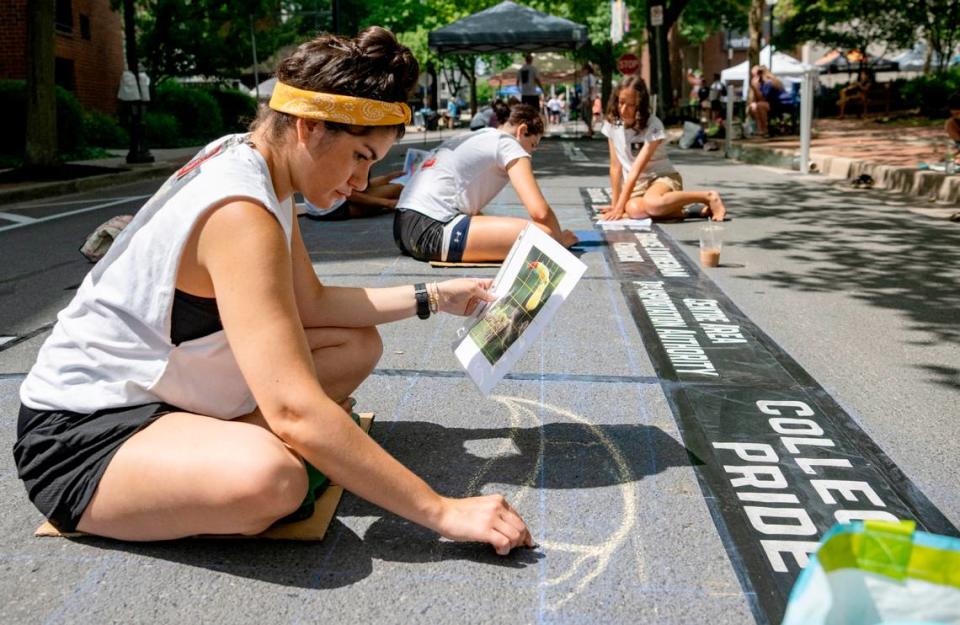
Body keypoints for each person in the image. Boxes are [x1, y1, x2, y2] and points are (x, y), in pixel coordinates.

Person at [13, 27, 534, 555]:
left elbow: (312, 304)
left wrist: (434, 296)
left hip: (164, 391)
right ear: (308, 128)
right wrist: (441, 510)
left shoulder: (256, 162)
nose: (361, 181)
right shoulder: (241, 212)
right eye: (359, 155)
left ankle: (215, 449)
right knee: (273, 479)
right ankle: (220, 457)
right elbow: (293, 409)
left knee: (356, 343)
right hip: (83, 435)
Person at [393, 104, 578, 262]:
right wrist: (558, 240)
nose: (531, 153)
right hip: (433, 230)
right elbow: (540, 211)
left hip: (402, 227)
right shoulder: (508, 144)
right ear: (522, 131)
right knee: (546, 236)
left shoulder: (474, 136)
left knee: (488, 221)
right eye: (533, 145)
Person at [598, 75, 727, 222]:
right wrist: (615, 205)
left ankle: (707, 197)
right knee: (635, 211)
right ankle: (685, 211)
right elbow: (615, 167)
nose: (623, 109)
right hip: (637, 186)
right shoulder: (612, 123)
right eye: (621, 102)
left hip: (661, 178)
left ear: (640, 104)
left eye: (631, 105)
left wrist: (620, 208)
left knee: (652, 204)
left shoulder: (653, 124)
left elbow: (636, 169)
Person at [302, 170, 405, 221]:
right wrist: (387, 203)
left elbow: (361, 187)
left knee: (394, 186)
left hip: (315, 208)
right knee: (396, 189)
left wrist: (387, 178)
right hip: (331, 210)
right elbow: (350, 194)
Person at [748, 65, 783, 137]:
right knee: (754, 107)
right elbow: (756, 99)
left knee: (760, 106)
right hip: (769, 104)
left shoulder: (769, 82)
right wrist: (753, 102)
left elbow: (763, 98)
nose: (755, 78)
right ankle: (760, 129)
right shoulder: (761, 83)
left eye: (756, 76)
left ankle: (764, 129)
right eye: (753, 76)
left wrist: (755, 87)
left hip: (779, 103)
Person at [580, 64, 599, 137]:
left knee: (587, 114)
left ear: (587, 70)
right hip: (585, 98)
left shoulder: (590, 77)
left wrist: (588, 98)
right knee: (584, 115)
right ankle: (590, 129)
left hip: (588, 98)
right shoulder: (586, 77)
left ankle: (590, 130)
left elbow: (591, 88)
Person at [944, 92, 960, 162]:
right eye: (954, 114)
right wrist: (953, 156)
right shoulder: (951, 124)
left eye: (958, 113)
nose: (956, 116)